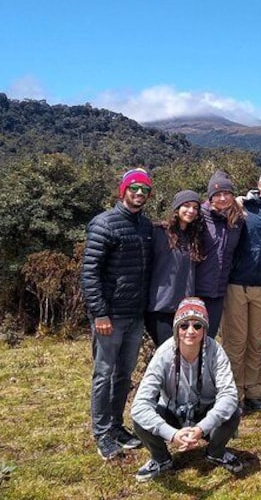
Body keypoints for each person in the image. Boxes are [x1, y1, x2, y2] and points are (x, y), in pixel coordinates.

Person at [81, 168, 154, 460]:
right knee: (104, 374)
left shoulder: (146, 226)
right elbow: (90, 272)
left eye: (144, 190)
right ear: (122, 190)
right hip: (109, 316)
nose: (139, 194)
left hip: (135, 315)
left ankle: (116, 425)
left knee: (124, 375)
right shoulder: (104, 224)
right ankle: (102, 434)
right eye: (134, 188)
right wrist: (99, 313)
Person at [131, 298, 243, 481]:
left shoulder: (216, 351)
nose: (190, 331)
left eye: (197, 325)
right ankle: (161, 458)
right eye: (184, 325)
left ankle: (216, 451)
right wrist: (172, 434)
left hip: (205, 413)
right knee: (139, 419)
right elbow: (139, 405)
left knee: (233, 411)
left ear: (205, 328)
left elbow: (229, 395)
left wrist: (201, 428)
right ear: (176, 329)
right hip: (172, 414)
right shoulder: (163, 354)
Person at [222, 167, 261, 412]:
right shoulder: (243, 207)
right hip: (237, 283)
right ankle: (233, 394)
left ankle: (254, 393)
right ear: (259, 185)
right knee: (235, 342)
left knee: (257, 342)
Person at [146, 190, 203, 346]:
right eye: (186, 205)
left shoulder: (193, 237)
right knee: (168, 352)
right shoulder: (159, 232)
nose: (191, 211)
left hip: (184, 308)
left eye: (195, 207)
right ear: (176, 208)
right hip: (160, 307)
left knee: (180, 355)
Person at [196, 170, 244, 339]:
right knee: (190, 340)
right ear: (210, 197)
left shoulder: (237, 220)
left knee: (209, 340)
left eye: (227, 193)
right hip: (196, 291)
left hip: (218, 292)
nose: (223, 198)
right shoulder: (199, 216)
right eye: (217, 194)